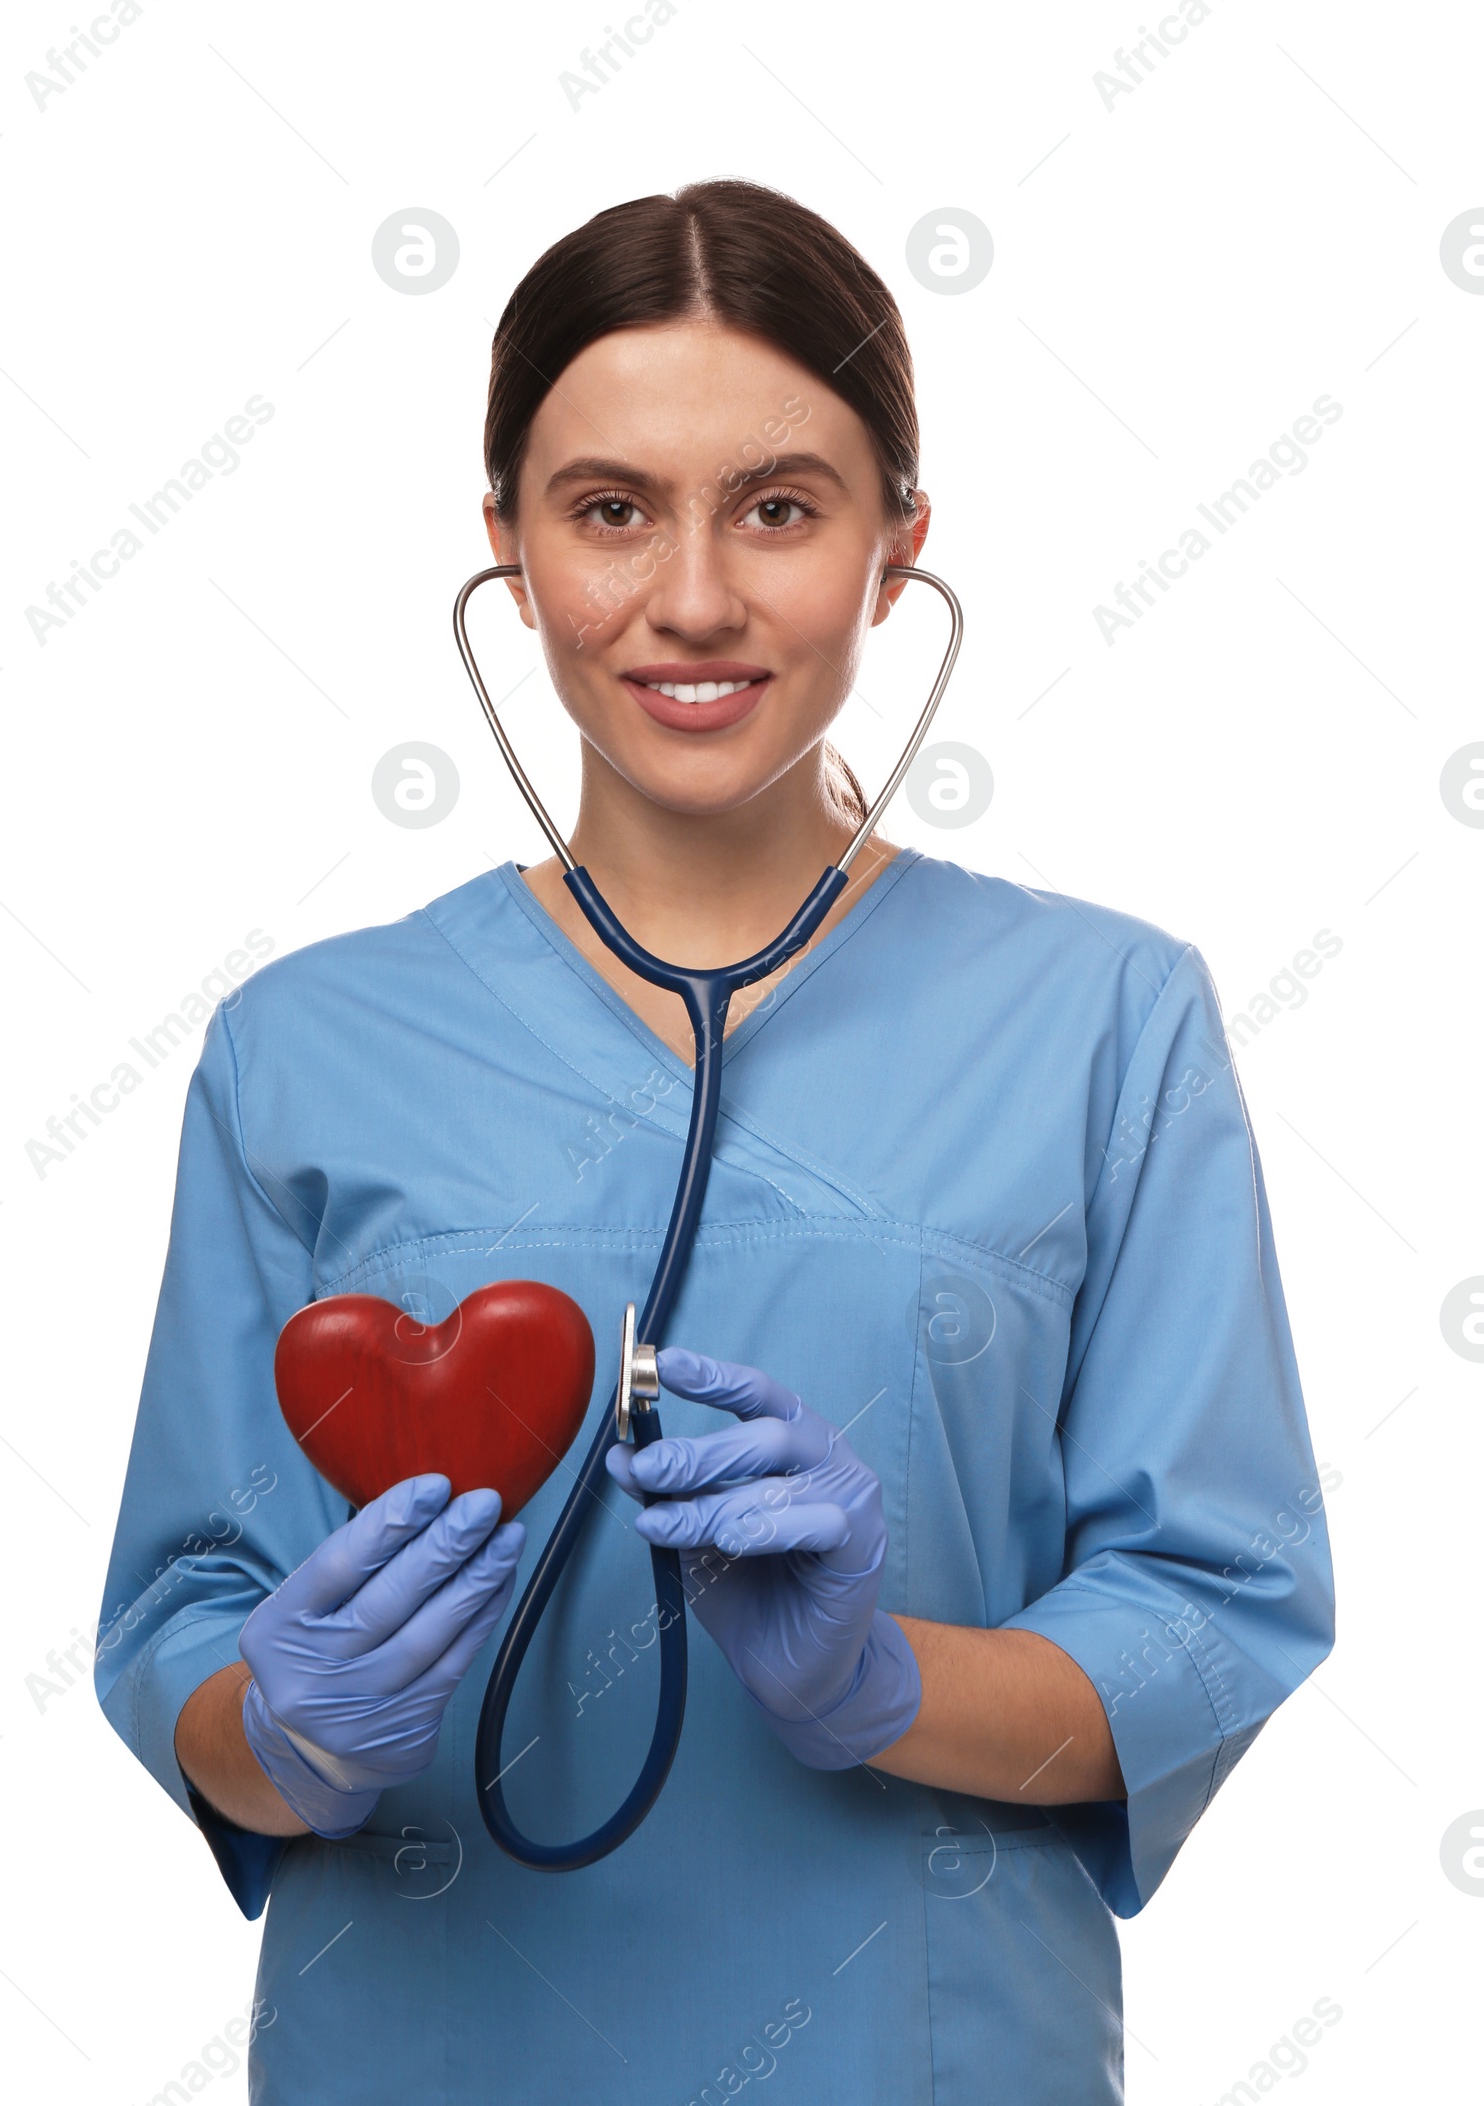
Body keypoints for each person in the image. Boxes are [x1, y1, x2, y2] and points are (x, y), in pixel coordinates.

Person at [96, 179, 1335, 2104]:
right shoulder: (303, 1046)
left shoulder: (1109, 1020)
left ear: (895, 546)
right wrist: (299, 1734)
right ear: (504, 543)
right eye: (609, 510)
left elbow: (1216, 1607)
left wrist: (880, 1683)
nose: (691, 596)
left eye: (778, 506)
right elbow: (184, 1629)